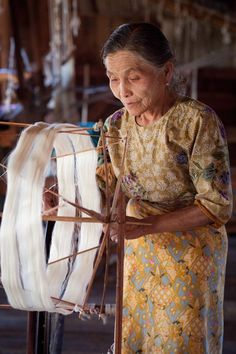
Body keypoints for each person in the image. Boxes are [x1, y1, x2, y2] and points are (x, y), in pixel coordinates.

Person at [96, 22, 233, 353]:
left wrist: (149, 225)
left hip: (189, 254)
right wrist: (62, 199)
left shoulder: (196, 122)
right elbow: (103, 188)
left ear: (166, 71)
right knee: (136, 337)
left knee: (178, 340)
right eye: (114, 78)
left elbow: (217, 205)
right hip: (139, 255)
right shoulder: (115, 126)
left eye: (134, 77)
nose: (122, 90)